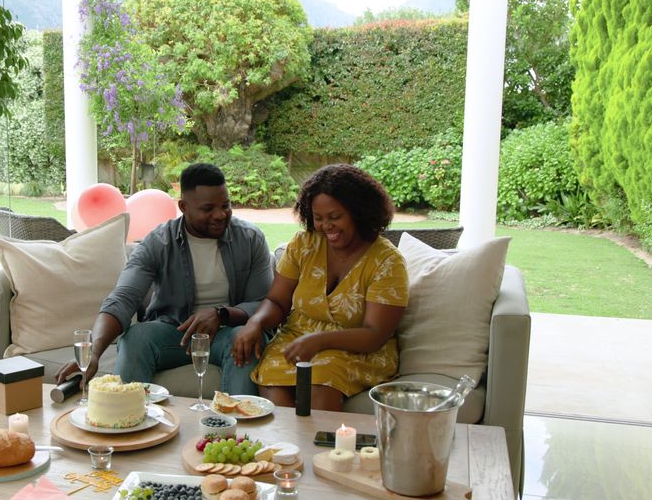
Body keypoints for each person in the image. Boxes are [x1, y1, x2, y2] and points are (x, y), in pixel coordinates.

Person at [54, 163, 273, 395]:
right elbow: (123, 298)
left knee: (246, 342)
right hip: (173, 331)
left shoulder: (250, 239)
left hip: (229, 332)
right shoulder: (158, 242)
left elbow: (263, 302)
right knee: (135, 339)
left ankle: (237, 427)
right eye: (208, 208)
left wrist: (221, 314)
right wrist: (94, 352)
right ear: (184, 207)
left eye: (225, 206)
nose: (220, 215)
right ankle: (129, 418)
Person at [232, 164, 408, 411]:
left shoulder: (387, 261)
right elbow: (277, 302)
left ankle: (318, 448)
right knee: (272, 373)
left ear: (359, 212)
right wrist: (256, 323)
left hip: (355, 349)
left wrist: (320, 340)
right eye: (319, 218)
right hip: (297, 340)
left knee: (321, 375)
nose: (327, 227)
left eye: (335, 217)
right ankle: (284, 448)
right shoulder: (303, 245)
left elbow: (374, 334)